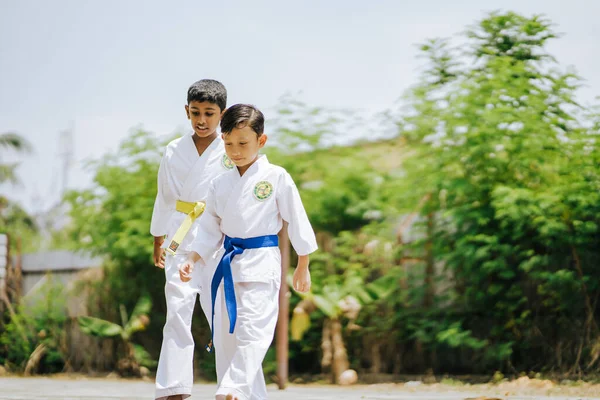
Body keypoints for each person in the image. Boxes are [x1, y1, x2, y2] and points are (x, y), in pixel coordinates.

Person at [179, 104, 317, 400]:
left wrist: (303, 264)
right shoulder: (219, 183)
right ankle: (243, 393)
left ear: (261, 141)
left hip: (262, 264)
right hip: (226, 266)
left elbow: (297, 219)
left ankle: (233, 388)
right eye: (229, 144)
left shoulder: (276, 177)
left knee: (253, 333)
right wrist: (192, 258)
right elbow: (209, 230)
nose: (235, 151)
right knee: (227, 340)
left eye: (243, 143)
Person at [151, 79, 233, 400]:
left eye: (209, 113)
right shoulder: (174, 149)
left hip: (217, 238)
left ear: (221, 114)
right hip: (179, 236)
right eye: (195, 112)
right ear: (186, 111)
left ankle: (231, 385)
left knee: (221, 313)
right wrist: (157, 237)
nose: (201, 120)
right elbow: (164, 197)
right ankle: (173, 388)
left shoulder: (230, 148)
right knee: (177, 311)